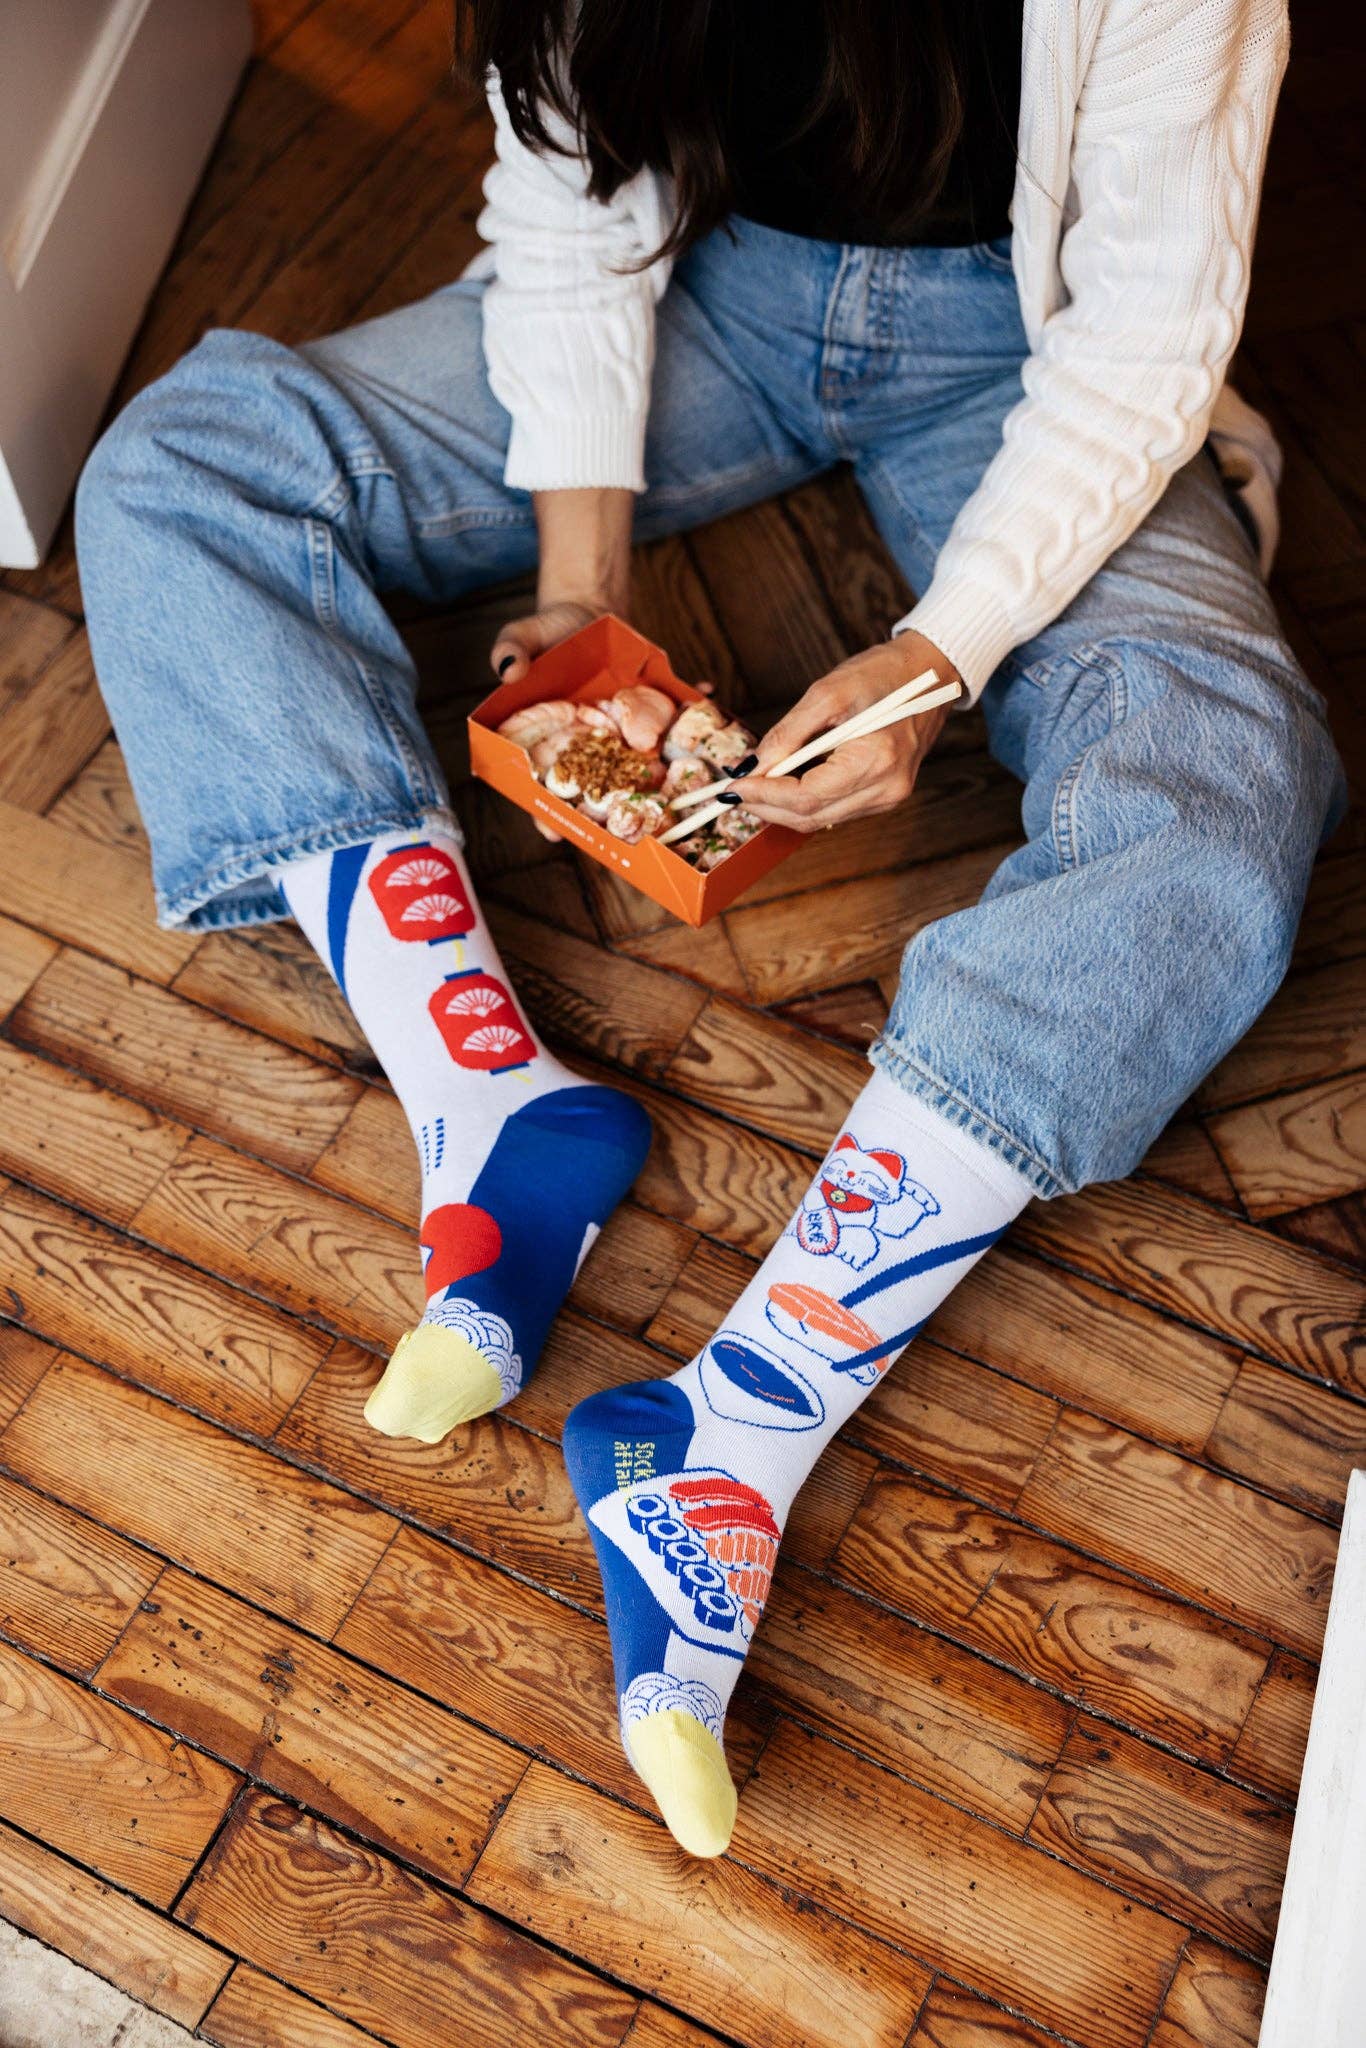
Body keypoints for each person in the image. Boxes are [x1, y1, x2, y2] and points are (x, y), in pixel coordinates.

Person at [75, 0, 1344, 1860]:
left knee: (1222, 777)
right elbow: (571, 190)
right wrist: (580, 589)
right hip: (715, 301)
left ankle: (734, 1436)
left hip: (1036, 343)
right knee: (187, 466)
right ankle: (488, 1104)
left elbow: (1145, 326)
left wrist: (940, 654)